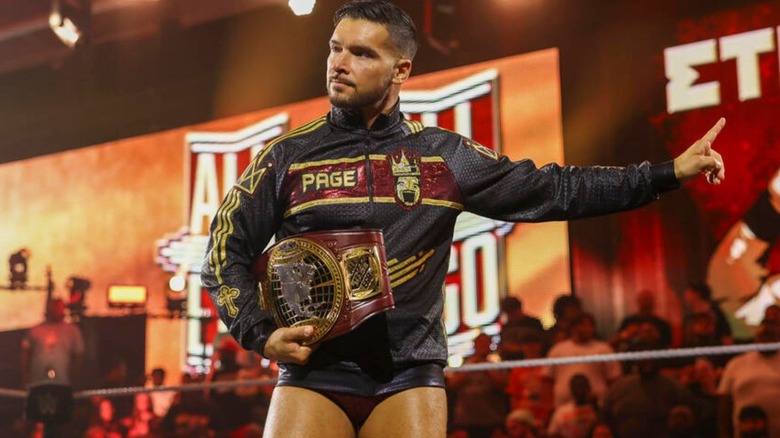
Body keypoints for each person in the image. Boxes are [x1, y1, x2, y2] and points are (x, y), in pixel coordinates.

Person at [200, 1, 727, 436]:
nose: (339, 62)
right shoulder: (286, 155)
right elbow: (224, 252)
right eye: (336, 47)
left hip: (407, 376)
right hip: (312, 374)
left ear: (401, 70)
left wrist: (666, 173)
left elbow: (556, 189)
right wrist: (260, 333)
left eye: (361, 53)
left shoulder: (443, 157)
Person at [20, 298, 85, 387]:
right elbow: (25, 354)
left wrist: (73, 377)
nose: (56, 310)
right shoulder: (35, 330)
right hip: (37, 381)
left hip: (63, 381)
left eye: (59, 307)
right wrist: (26, 378)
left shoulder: (72, 330)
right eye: (54, 307)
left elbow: (78, 355)